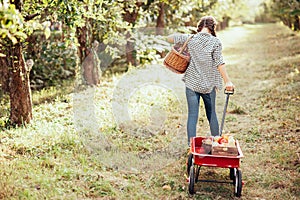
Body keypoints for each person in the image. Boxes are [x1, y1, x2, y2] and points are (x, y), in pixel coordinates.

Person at [166, 16, 235, 147]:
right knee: (212, 114)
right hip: (209, 85)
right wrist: (227, 81)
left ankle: (191, 147)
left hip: (192, 83)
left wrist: (185, 36)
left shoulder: (191, 38)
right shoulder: (215, 42)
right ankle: (217, 144)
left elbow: (170, 37)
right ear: (212, 27)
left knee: (192, 115)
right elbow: (219, 62)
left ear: (199, 26)